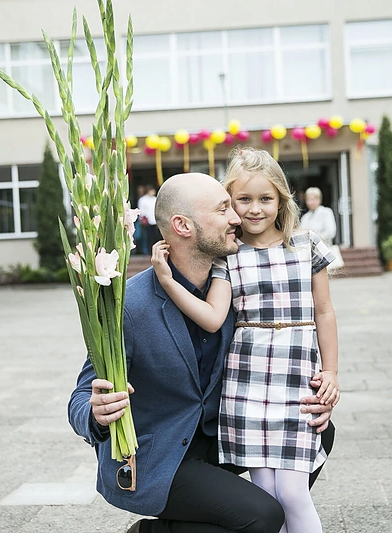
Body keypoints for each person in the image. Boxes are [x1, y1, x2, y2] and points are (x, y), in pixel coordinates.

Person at [68, 172, 336, 533]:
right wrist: (97, 414)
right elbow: (81, 397)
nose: (236, 218)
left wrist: (318, 385)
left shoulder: (232, 285)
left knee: (319, 431)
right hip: (157, 455)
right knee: (264, 515)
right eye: (223, 209)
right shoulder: (128, 305)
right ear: (182, 226)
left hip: (217, 440)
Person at [151, 147, 339, 533]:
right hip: (248, 385)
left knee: (293, 492)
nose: (255, 209)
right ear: (231, 203)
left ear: (281, 199)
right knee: (267, 496)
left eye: (266, 198)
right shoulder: (228, 257)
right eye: (244, 199)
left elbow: (324, 311)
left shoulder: (306, 246)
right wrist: (168, 282)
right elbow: (212, 316)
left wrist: (332, 371)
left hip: (296, 381)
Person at [300, 186, 344, 270]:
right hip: (309, 253)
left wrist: (314, 239)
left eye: (312, 199)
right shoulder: (305, 217)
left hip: (324, 250)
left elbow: (331, 232)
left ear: (319, 199)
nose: (310, 202)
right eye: (308, 199)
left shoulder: (326, 212)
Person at [137, 186, 160, 253]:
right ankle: (148, 251)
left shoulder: (155, 199)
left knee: (155, 236)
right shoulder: (143, 200)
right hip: (147, 221)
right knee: (147, 237)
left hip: (155, 221)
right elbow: (141, 210)